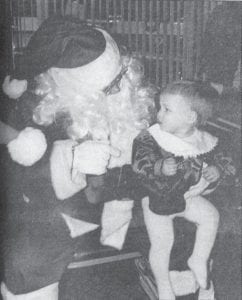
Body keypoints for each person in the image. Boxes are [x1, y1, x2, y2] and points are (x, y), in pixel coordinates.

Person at [0, 15, 157, 300]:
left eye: (121, 77)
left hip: (117, 214)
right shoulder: (40, 110)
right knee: (29, 257)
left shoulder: (137, 104)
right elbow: (20, 179)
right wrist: (70, 160)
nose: (121, 91)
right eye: (107, 89)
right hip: (59, 212)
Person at [132, 81, 235, 300]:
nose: (159, 114)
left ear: (190, 118)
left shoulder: (203, 140)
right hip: (157, 200)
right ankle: (164, 287)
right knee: (163, 243)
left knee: (211, 216)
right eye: (160, 107)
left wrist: (217, 170)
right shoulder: (152, 137)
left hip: (188, 198)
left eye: (167, 109)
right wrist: (159, 166)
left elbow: (227, 162)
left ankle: (198, 259)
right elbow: (139, 164)